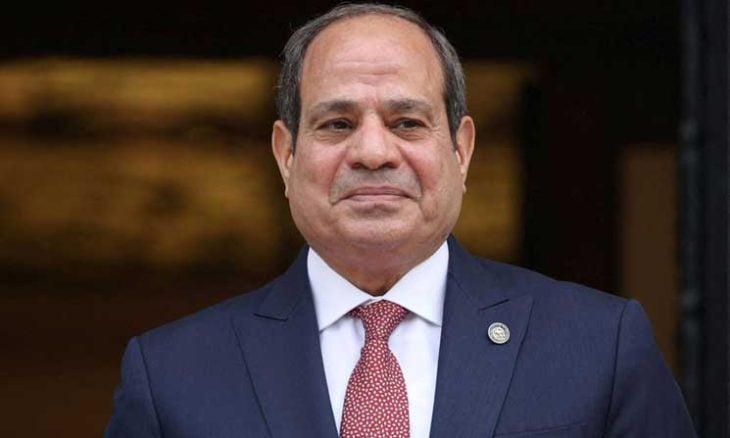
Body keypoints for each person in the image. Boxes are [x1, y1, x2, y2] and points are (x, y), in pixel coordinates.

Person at [105, 4, 696, 437]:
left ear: (461, 151)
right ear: (286, 155)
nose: (372, 152)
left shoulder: (599, 346)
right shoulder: (172, 376)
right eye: (337, 124)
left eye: (407, 123)